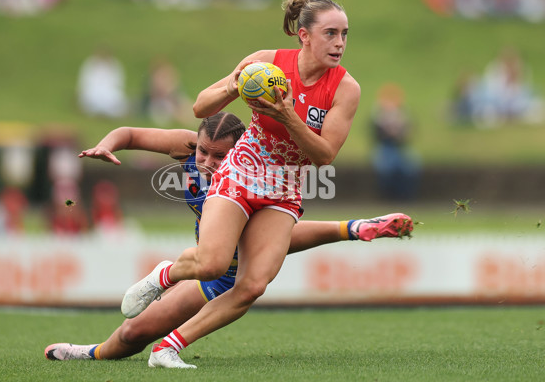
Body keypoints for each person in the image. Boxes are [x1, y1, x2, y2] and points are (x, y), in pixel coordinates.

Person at [118, 0, 407, 369]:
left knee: (252, 285)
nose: (340, 43)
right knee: (212, 265)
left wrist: (288, 115)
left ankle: (166, 349)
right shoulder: (267, 63)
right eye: (330, 33)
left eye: (345, 34)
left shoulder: (345, 89)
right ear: (304, 35)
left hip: (284, 185)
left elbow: (323, 156)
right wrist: (233, 86)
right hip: (242, 170)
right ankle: (164, 275)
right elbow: (200, 107)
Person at [44, 112, 413, 361]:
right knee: (131, 334)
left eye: (219, 156)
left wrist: (349, 229)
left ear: (242, 151)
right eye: (203, 151)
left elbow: (285, 238)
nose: (206, 161)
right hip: (206, 263)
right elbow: (131, 134)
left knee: (160, 315)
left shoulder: (256, 179)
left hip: (226, 277)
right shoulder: (189, 147)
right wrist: (107, 143)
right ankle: (89, 354)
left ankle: (159, 338)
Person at [370, 83, 421, 201]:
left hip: (400, 148)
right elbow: (376, 135)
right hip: (385, 147)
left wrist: (399, 132)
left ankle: (406, 196)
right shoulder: (378, 117)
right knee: (387, 169)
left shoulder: (403, 116)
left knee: (409, 167)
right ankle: (388, 197)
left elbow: (409, 134)